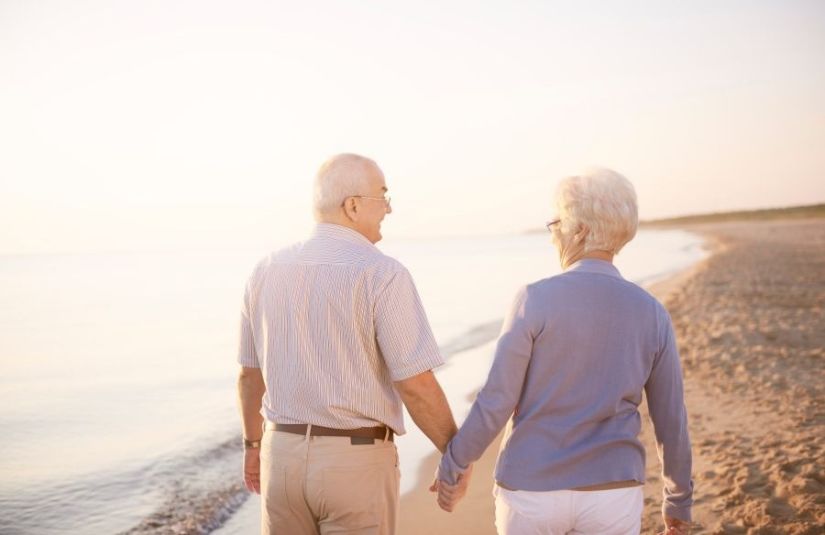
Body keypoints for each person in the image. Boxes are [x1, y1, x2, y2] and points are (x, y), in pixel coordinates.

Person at [433, 168, 693, 534]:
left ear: (580, 230)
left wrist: (455, 464)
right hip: (614, 492)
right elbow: (671, 418)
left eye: (555, 222)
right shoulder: (651, 311)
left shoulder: (534, 299)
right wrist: (678, 499)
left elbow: (497, 399)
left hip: (531, 490)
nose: (552, 232)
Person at [236, 153, 459, 535]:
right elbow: (415, 385)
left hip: (281, 459)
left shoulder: (265, 269)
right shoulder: (382, 273)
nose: (388, 208)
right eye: (383, 195)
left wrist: (252, 445)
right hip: (353, 466)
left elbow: (248, 375)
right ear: (353, 205)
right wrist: (456, 453)